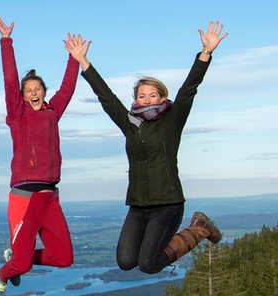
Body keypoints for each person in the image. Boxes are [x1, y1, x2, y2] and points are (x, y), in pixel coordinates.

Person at [66, 21, 228, 275]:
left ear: (162, 98)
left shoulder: (172, 120)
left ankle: (199, 228)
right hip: (138, 206)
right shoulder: (130, 124)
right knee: (126, 261)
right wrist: (83, 62)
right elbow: (106, 98)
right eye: (142, 96)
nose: (147, 99)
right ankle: (182, 236)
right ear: (136, 100)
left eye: (153, 95)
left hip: (168, 204)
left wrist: (205, 54)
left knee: (149, 264)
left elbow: (188, 90)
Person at [0, 15, 80, 296]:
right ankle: (2, 275)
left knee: (64, 258)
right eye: (28, 91)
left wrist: (74, 58)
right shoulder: (18, 116)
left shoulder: (53, 112)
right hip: (25, 197)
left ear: (43, 91)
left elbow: (67, 89)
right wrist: (6, 41)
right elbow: (9, 79)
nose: (33, 92)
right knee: (22, 266)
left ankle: (19, 257)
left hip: (50, 198)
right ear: (23, 97)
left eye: (37, 88)